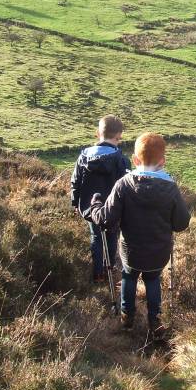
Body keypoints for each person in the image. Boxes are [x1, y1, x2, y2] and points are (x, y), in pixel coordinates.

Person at [85, 132, 190, 337]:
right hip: (159, 251)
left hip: (130, 250)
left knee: (128, 276)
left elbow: (106, 218)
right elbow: (181, 223)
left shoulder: (124, 184)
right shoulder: (170, 187)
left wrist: (96, 204)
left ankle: (127, 317)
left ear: (134, 160)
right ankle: (156, 322)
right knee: (153, 279)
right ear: (163, 161)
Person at [71, 115, 130, 283]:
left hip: (89, 207)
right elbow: (126, 186)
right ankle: (109, 270)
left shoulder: (83, 157)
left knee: (96, 237)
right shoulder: (121, 160)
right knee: (112, 236)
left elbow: (75, 181)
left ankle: (97, 274)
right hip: (113, 208)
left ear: (98, 133)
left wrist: (75, 203)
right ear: (119, 136)